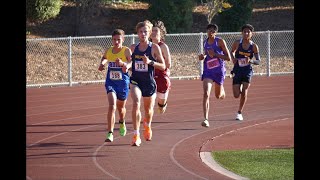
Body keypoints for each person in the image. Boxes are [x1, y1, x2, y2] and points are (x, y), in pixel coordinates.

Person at [126, 21, 166, 146]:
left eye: (145, 32)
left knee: (148, 110)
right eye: (140, 32)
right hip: (136, 81)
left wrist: (150, 62)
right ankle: (136, 134)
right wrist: (126, 67)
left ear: (149, 33)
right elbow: (130, 64)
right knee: (136, 102)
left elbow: (163, 65)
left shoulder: (154, 48)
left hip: (149, 82)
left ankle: (147, 125)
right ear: (137, 33)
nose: (143, 34)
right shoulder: (133, 48)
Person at [98, 29, 132, 142]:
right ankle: (110, 133)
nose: (116, 42)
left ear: (123, 39)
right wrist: (102, 64)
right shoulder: (109, 50)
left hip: (123, 83)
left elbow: (132, 63)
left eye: (118, 39)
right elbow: (104, 58)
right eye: (114, 40)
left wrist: (125, 65)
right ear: (111, 40)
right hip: (111, 82)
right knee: (112, 106)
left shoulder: (126, 51)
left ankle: (122, 122)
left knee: (121, 108)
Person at [198, 24, 231, 127]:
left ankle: (222, 92)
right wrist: (202, 57)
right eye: (209, 30)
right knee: (206, 94)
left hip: (219, 71)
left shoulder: (220, 41)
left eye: (213, 31)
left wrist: (215, 54)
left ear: (216, 32)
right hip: (208, 71)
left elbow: (228, 57)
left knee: (218, 96)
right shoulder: (205, 42)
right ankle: (206, 119)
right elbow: (206, 54)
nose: (210, 32)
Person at [230, 24, 260, 121]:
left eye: (248, 32)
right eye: (244, 31)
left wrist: (250, 61)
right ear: (242, 33)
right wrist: (233, 59)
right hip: (237, 69)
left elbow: (258, 61)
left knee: (244, 92)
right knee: (236, 95)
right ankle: (240, 86)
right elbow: (231, 52)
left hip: (247, 71)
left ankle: (239, 112)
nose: (246, 33)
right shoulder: (237, 43)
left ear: (252, 34)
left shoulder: (254, 46)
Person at [150, 20, 172, 114]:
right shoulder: (147, 46)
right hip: (150, 76)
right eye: (152, 31)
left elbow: (168, 64)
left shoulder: (163, 46)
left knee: (161, 107)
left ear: (161, 34)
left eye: (156, 31)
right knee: (149, 100)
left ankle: (163, 104)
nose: (154, 33)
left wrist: (157, 64)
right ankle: (147, 118)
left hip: (162, 76)